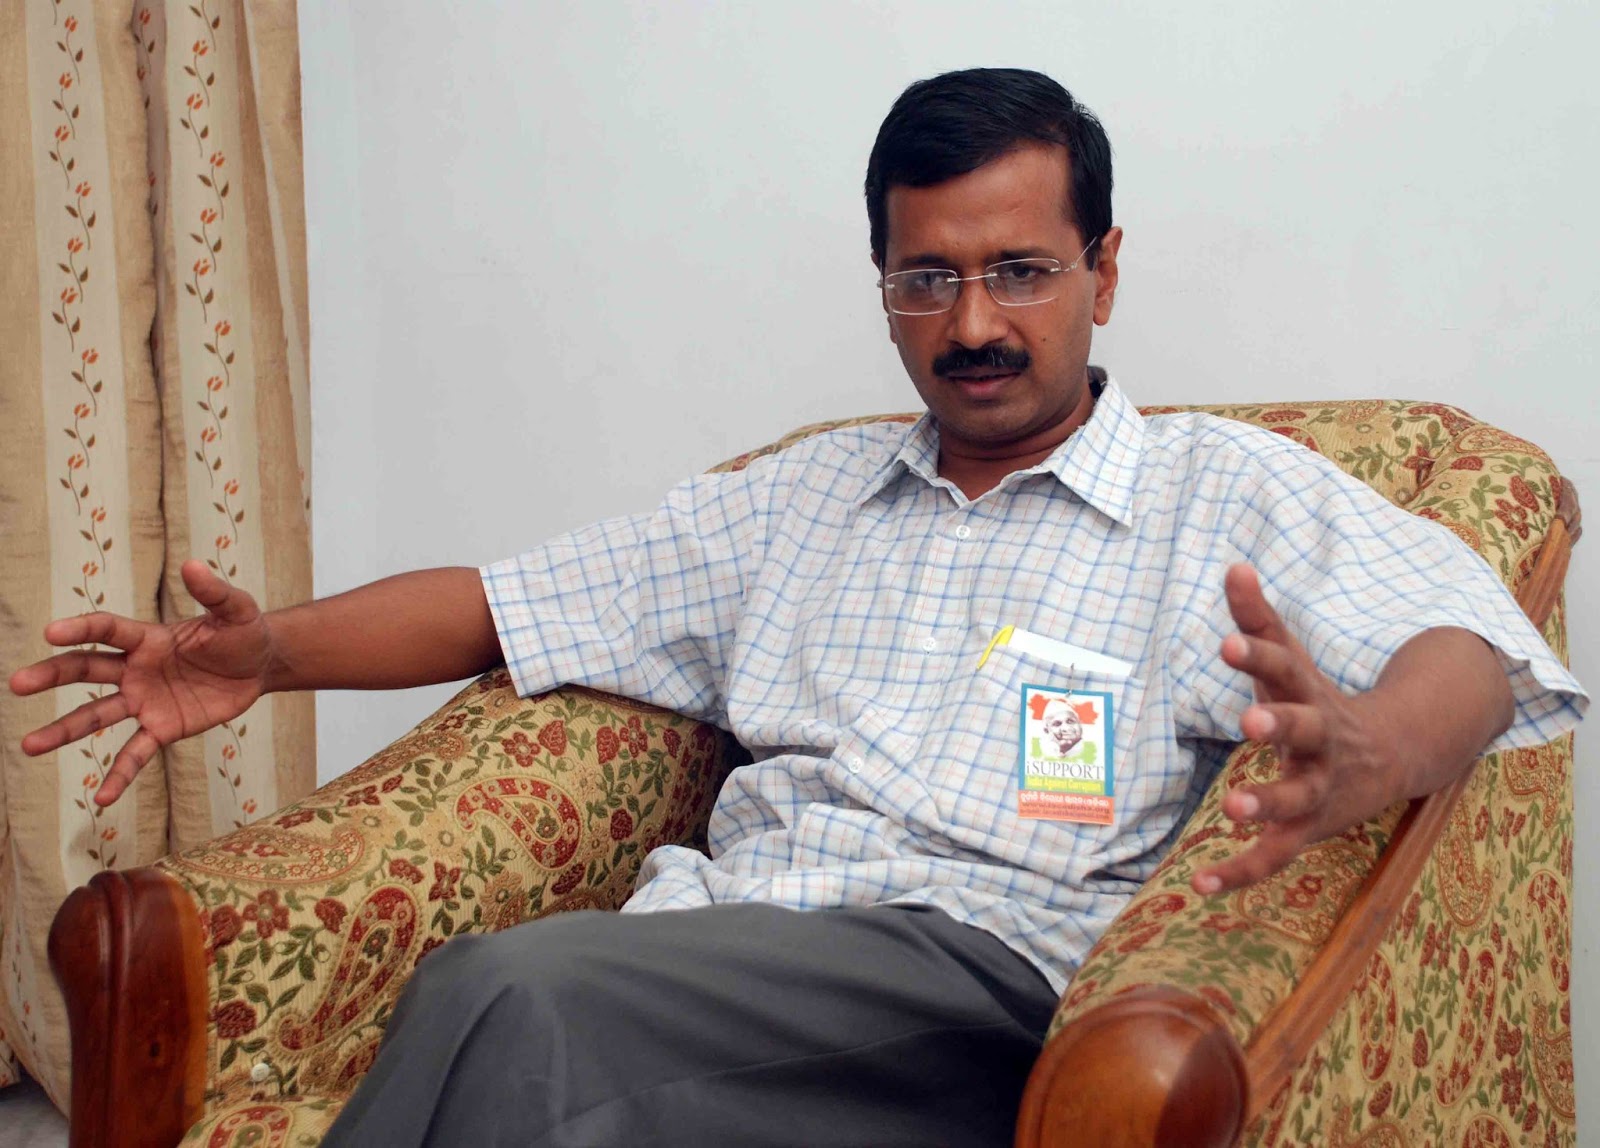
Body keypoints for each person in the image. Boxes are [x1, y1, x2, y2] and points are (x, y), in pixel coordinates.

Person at [9, 68, 1586, 1147]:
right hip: (723, 953)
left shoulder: (1216, 490)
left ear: (1104, 271)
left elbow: (1471, 641)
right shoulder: (796, 500)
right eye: (927, 278)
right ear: (885, 282)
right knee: (529, 1017)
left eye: (1022, 271)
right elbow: (504, 607)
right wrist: (266, 651)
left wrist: (1377, 750)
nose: (974, 323)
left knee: (513, 997)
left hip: (982, 983)